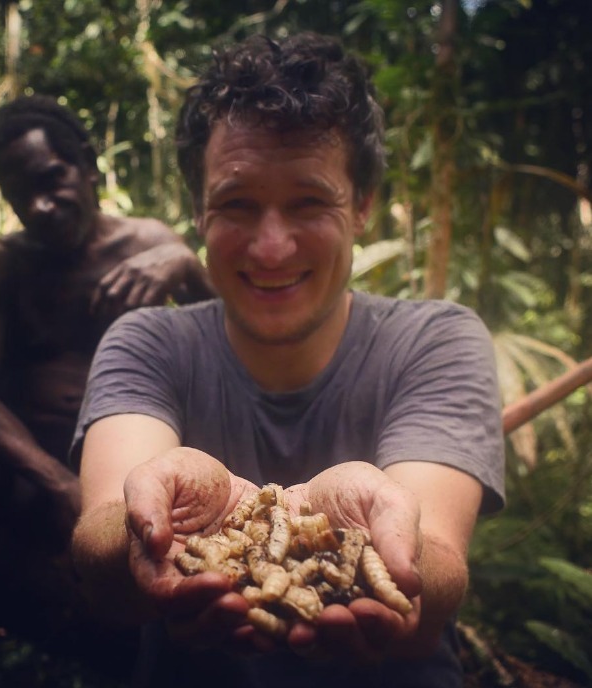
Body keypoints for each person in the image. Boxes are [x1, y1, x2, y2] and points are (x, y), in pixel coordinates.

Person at [70, 33, 505, 688]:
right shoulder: (145, 342)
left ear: (362, 206)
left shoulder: (435, 340)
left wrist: (399, 551)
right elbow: (101, 545)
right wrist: (142, 532)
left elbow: (434, 566)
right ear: (198, 212)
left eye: (309, 202)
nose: (271, 247)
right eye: (236, 204)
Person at [0, 94, 214, 636]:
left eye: (51, 179)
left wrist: (187, 266)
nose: (40, 206)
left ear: (87, 165)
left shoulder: (149, 244)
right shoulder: (5, 264)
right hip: (25, 471)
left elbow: (231, 349)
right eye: (19, 194)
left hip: (128, 469)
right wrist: (56, 481)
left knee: (147, 528)